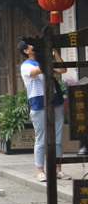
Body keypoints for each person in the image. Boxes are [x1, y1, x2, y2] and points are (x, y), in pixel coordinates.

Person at [18, 40, 70, 182]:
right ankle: (40, 171)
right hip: (38, 104)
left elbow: (62, 69)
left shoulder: (46, 61)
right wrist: (45, 56)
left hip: (55, 102)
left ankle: (58, 169)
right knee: (41, 139)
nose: (34, 46)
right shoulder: (26, 65)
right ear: (25, 51)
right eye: (30, 45)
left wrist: (53, 50)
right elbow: (39, 70)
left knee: (57, 140)